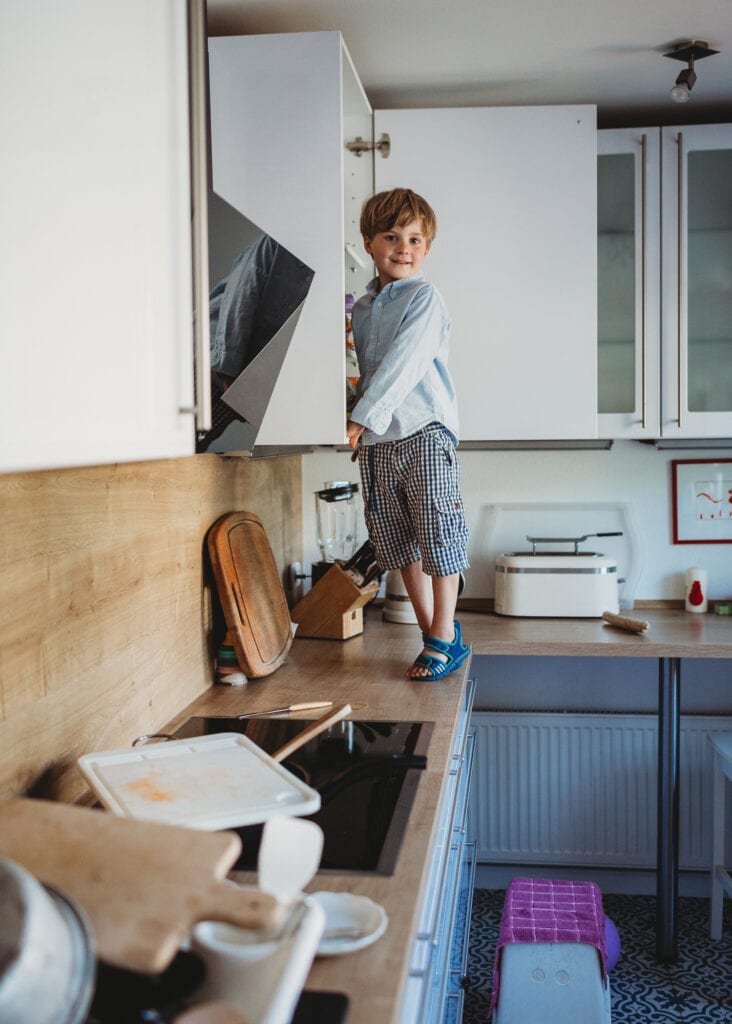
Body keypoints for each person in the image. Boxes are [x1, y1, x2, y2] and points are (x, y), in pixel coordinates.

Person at [346, 187, 470, 681]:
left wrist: (360, 419)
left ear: (428, 248)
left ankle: (443, 636)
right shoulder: (362, 308)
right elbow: (368, 372)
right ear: (370, 243)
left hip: (423, 431)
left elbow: (402, 367)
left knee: (439, 533)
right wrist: (365, 429)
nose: (404, 247)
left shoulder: (424, 298)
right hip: (379, 441)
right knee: (398, 543)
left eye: (416, 239)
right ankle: (435, 638)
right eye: (392, 236)